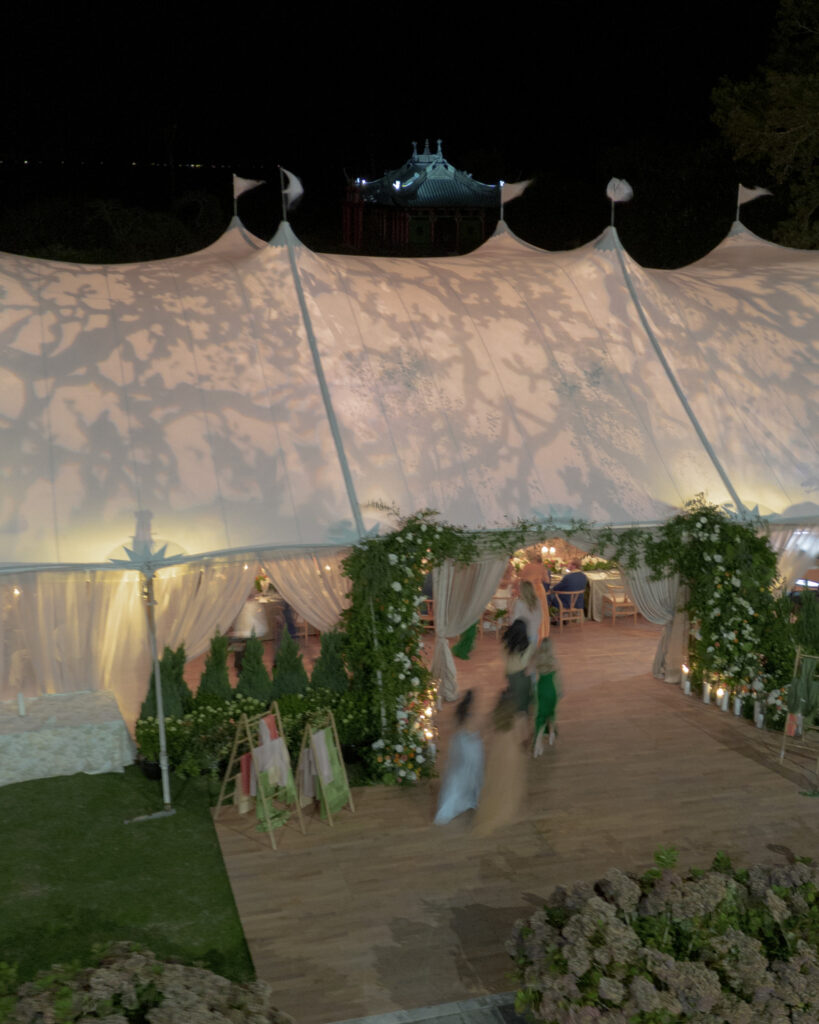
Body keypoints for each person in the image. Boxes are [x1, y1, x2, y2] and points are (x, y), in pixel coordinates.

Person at [472, 688, 527, 836]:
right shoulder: (519, 718)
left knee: (495, 783)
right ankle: (505, 809)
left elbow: (483, 733)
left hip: (496, 754)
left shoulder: (494, 716)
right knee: (508, 785)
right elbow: (522, 739)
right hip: (511, 755)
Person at [433, 690, 484, 825]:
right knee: (471, 773)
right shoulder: (470, 716)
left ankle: (459, 801)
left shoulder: (459, 711)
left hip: (460, 744)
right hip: (470, 748)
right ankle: (469, 799)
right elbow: (473, 731)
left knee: (458, 774)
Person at [530, 638, 562, 756]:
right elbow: (559, 679)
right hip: (552, 690)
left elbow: (529, 672)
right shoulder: (554, 661)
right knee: (551, 712)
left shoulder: (537, 660)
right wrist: (560, 692)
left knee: (540, 716)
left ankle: (537, 744)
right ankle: (551, 734)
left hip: (541, 689)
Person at [502, 617, 535, 716]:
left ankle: (513, 710)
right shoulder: (528, 645)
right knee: (524, 699)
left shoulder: (507, 642)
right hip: (521, 675)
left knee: (514, 693)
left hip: (509, 673)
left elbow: (504, 657)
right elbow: (525, 663)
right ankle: (524, 713)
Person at [519, 554, 551, 641]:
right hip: (539, 590)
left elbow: (521, 578)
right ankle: (541, 633)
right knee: (541, 611)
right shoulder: (542, 567)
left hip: (528, 589)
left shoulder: (527, 566)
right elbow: (547, 580)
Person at [512, 580, 543, 649]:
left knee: (522, 653)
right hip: (534, 632)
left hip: (522, 633)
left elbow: (515, 620)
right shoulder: (537, 601)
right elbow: (540, 617)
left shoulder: (519, 602)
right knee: (532, 652)